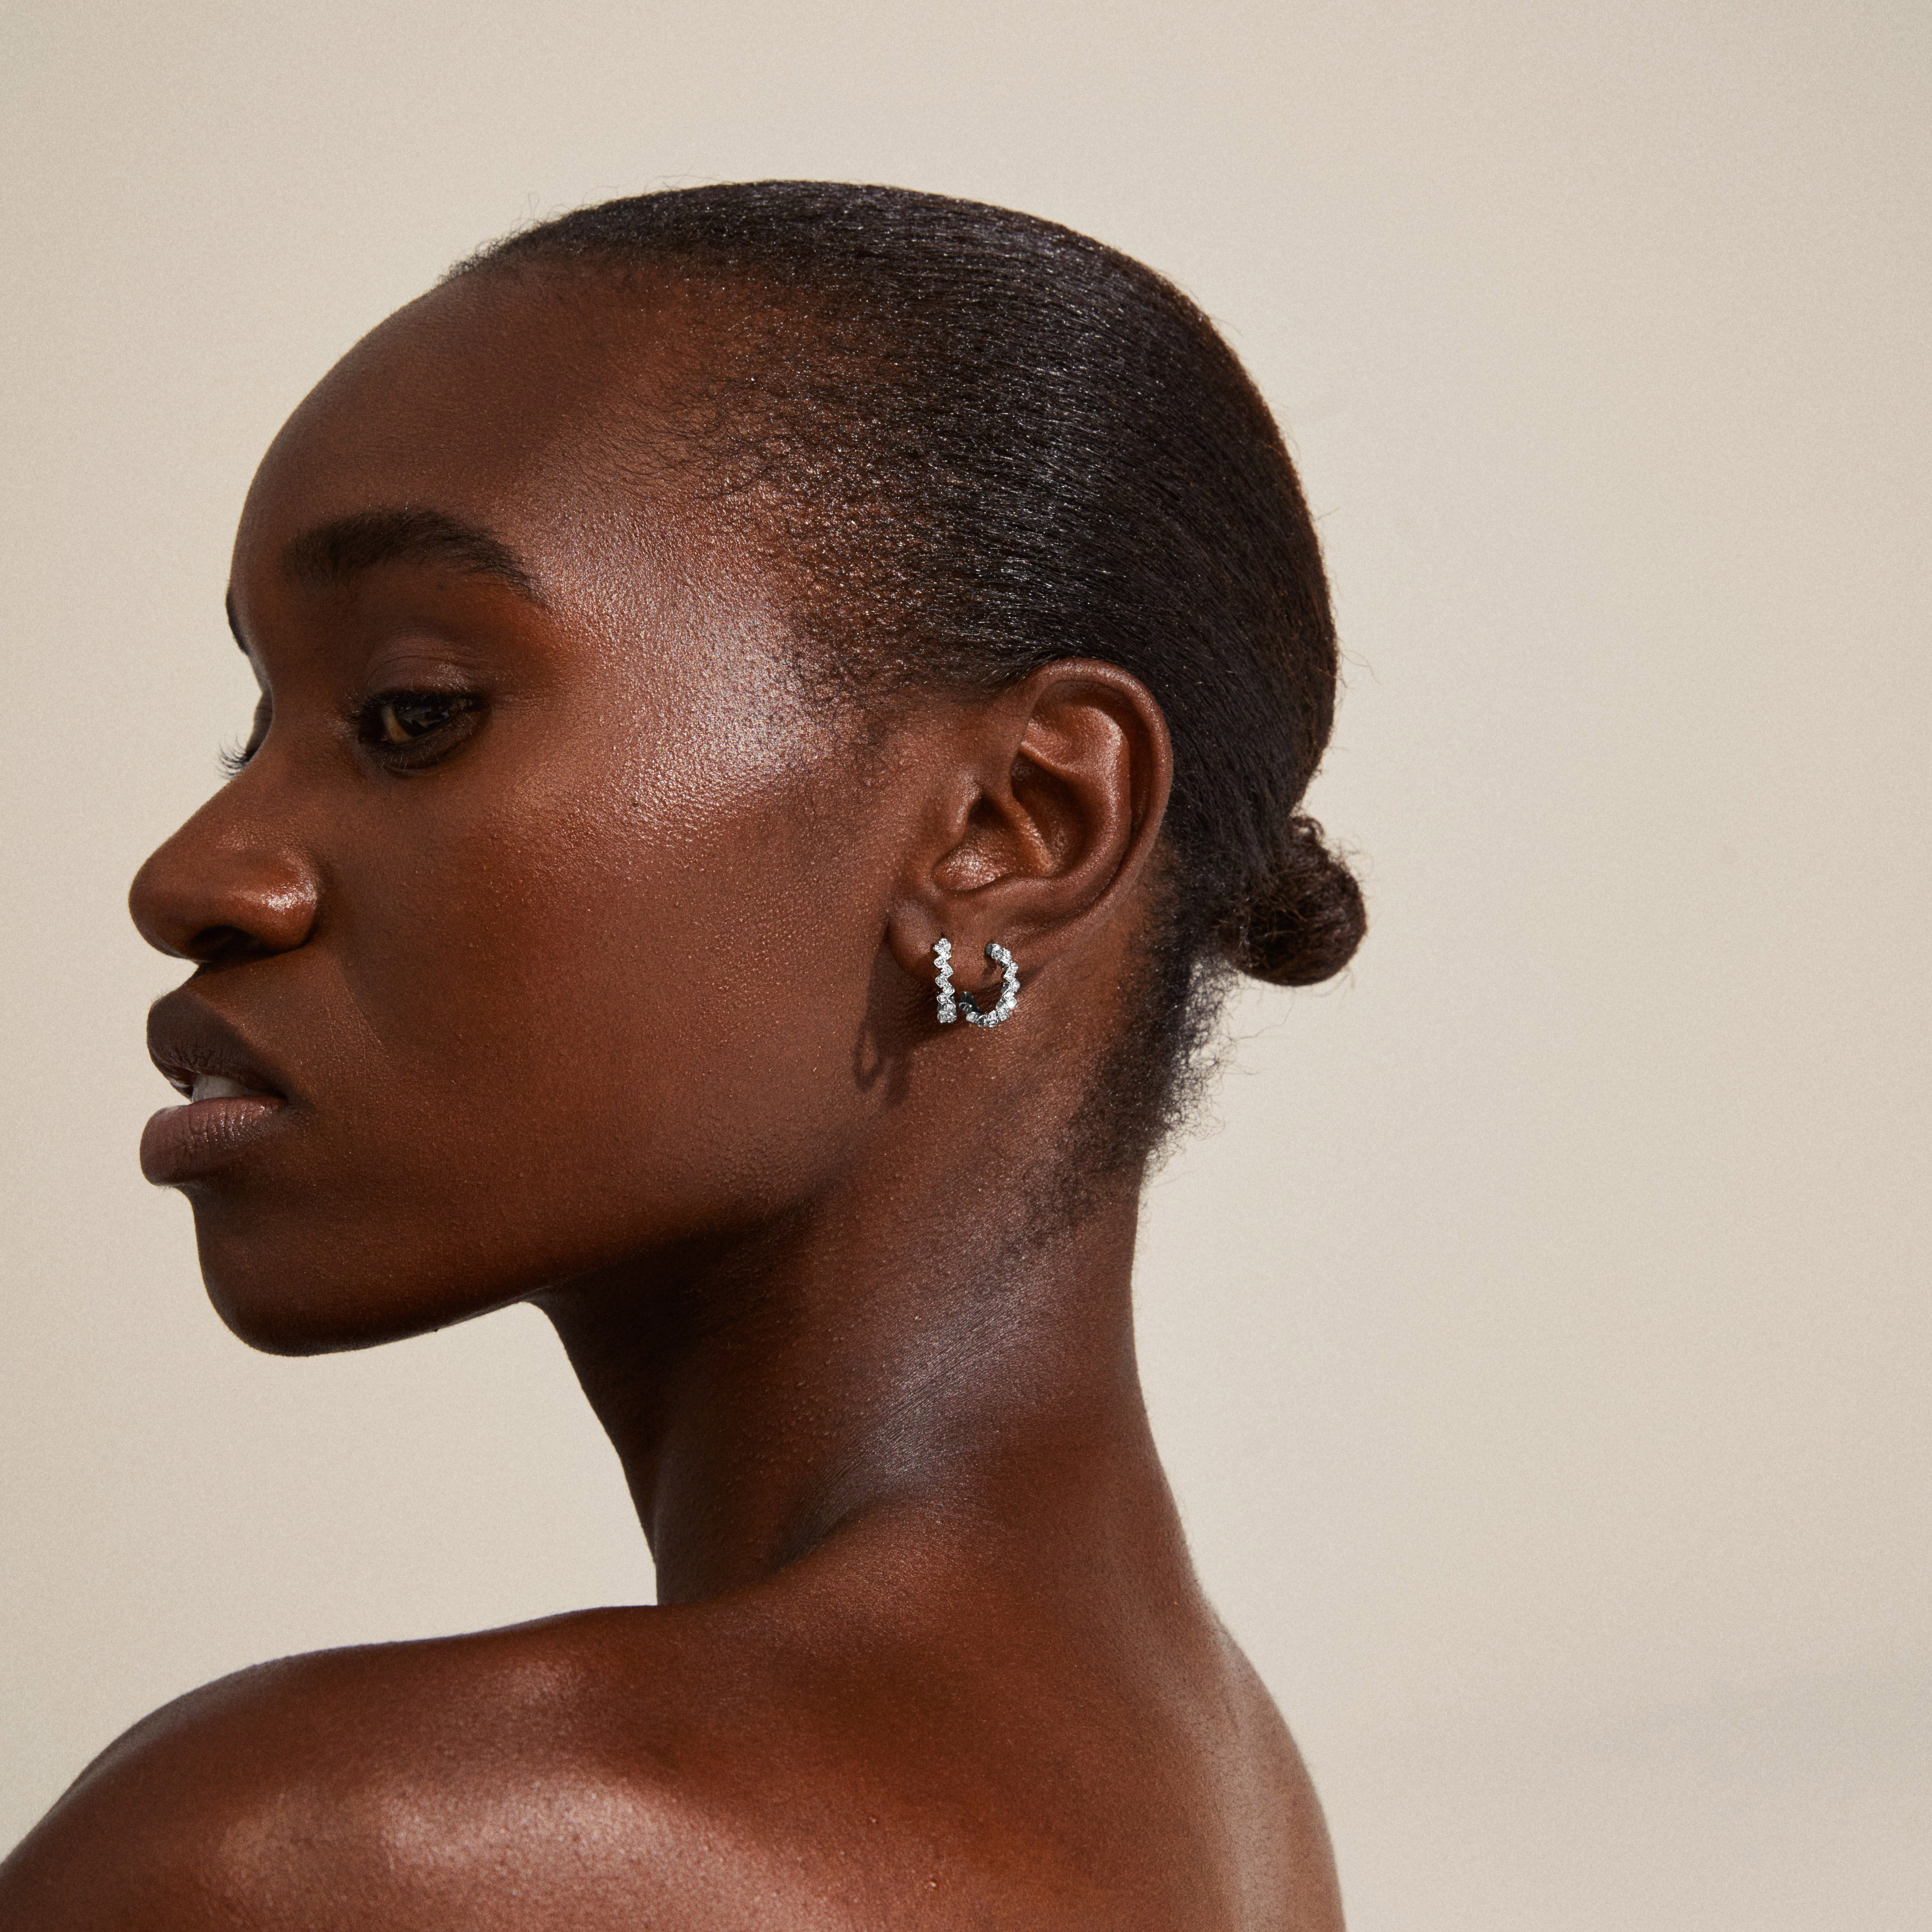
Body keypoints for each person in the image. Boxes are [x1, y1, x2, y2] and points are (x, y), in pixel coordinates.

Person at [0, 182, 1364, 1930]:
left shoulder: (330, 1862)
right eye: (259, 720)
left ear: (1011, 825)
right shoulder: (1221, 1803)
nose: (199, 876)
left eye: (415, 713)